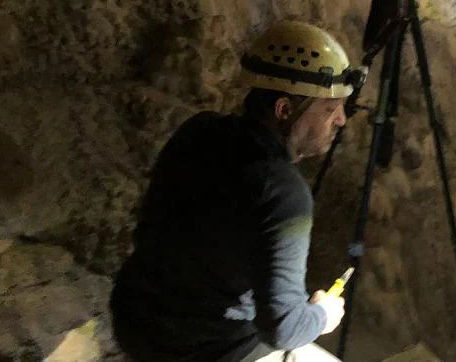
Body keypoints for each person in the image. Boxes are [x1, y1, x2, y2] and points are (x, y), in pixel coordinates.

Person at [112, 20, 365, 362]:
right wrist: (323, 315)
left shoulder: (198, 131)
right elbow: (284, 328)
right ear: (285, 109)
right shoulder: (284, 194)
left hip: (135, 319)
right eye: (329, 108)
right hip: (201, 350)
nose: (341, 120)